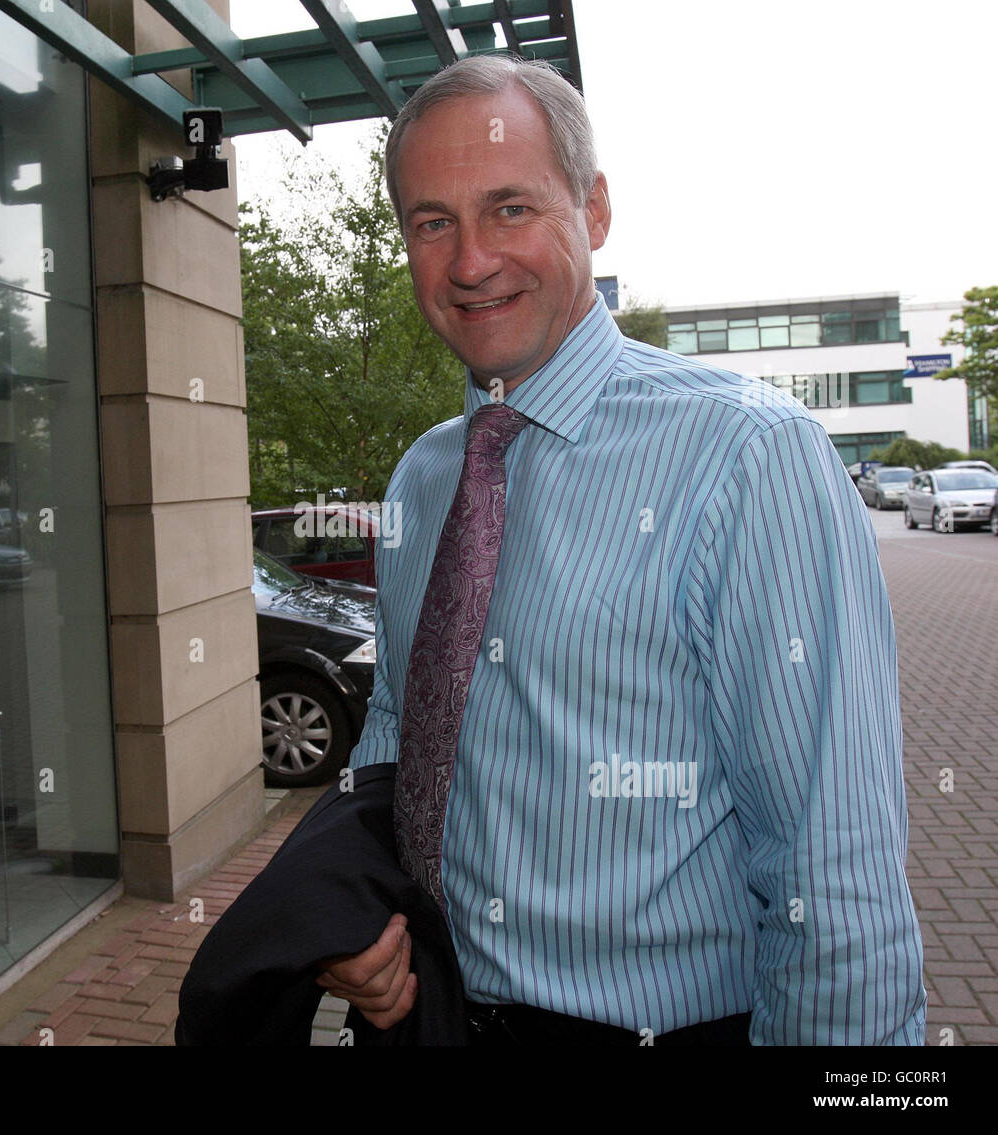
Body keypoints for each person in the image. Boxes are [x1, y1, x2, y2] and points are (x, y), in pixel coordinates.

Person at [313, 54, 926, 1045]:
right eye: (433, 222)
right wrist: (352, 909)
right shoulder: (422, 480)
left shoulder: (747, 457)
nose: (470, 260)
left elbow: (833, 866)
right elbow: (395, 729)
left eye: (508, 207)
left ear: (592, 212)